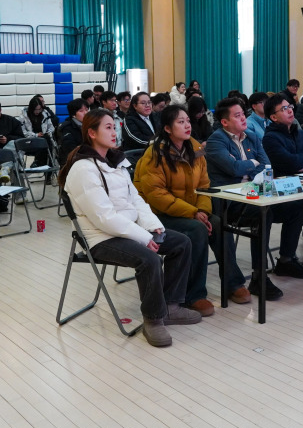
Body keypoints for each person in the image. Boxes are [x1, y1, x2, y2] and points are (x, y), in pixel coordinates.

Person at [59, 109, 200, 347]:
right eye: (108, 127)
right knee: (149, 259)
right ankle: (153, 319)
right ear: (91, 133)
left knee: (181, 242)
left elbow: (136, 200)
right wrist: (144, 237)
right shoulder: (83, 169)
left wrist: (153, 226)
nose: (114, 132)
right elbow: (104, 218)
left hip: (127, 230)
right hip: (100, 239)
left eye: (114, 127)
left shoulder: (116, 162)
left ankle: (171, 306)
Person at [205, 98, 303, 300]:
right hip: (230, 202)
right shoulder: (216, 141)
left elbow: (267, 166)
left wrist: (249, 166)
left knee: (296, 207)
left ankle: (286, 260)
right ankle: (259, 276)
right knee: (263, 214)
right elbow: (233, 168)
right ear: (225, 122)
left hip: (256, 194)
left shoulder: (252, 137)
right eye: (237, 116)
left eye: (243, 114)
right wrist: (253, 163)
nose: (243, 118)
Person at [133, 105, 218, 317]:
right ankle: (193, 294)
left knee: (216, 223)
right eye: (180, 122)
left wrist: (202, 211)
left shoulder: (196, 149)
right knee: (197, 229)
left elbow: (204, 186)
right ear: (168, 128)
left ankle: (233, 283)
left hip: (188, 211)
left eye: (187, 120)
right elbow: (156, 195)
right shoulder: (155, 154)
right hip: (157, 216)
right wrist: (193, 213)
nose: (187, 125)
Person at [262, 93, 303, 278]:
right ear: (273, 117)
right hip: (284, 192)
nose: (290, 110)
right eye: (284, 109)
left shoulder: (300, 133)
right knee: (297, 208)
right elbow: (289, 163)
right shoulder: (270, 138)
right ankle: (286, 260)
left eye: (290, 106)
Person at [19, 95, 57, 184]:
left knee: (47, 144)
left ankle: (39, 162)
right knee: (47, 145)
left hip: (44, 140)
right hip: (30, 142)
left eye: (39, 109)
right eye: (36, 109)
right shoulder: (23, 117)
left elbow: (51, 127)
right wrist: (36, 135)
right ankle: (42, 166)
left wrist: (47, 132)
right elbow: (23, 132)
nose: (37, 111)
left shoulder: (45, 114)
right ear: (31, 108)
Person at [58, 98, 88, 166]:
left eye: (86, 110)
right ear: (73, 114)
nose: (85, 113)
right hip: (72, 162)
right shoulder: (66, 128)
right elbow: (70, 149)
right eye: (81, 111)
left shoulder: (90, 125)